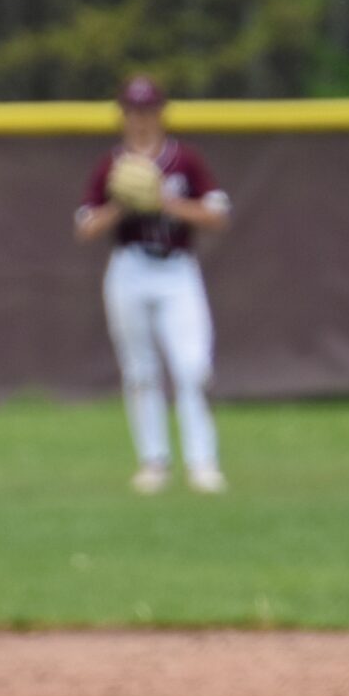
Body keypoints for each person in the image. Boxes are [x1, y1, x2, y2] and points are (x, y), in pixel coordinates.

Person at [75, 75, 231, 494]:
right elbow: (86, 227)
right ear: (122, 116)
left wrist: (166, 202)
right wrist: (121, 205)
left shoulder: (185, 161)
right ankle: (154, 463)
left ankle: (202, 464)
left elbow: (217, 215)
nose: (140, 120)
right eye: (132, 111)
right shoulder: (112, 165)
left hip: (177, 270)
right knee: (140, 371)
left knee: (192, 367)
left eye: (147, 111)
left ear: (160, 113)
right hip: (129, 267)